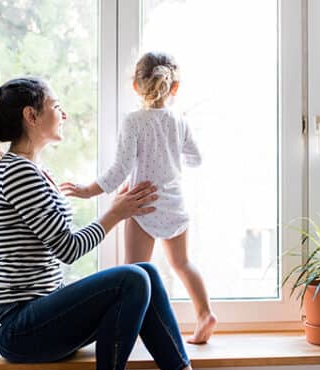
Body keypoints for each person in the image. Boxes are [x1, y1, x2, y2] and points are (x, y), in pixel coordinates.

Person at [0, 76, 252, 370]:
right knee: (132, 278)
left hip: (36, 315)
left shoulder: (32, 170)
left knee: (145, 272)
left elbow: (57, 239)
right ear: (31, 116)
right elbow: (68, 248)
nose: (64, 113)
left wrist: (116, 207)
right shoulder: (18, 172)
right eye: (56, 106)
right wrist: (116, 212)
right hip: (16, 326)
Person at [61, 52, 217, 344]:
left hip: (142, 205)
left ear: (135, 86)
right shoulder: (179, 121)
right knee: (182, 264)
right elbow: (196, 158)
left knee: (134, 273)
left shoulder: (133, 122)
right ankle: (205, 314)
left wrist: (87, 190)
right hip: (174, 204)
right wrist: (171, 153)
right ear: (175, 88)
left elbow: (120, 169)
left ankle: (133, 332)